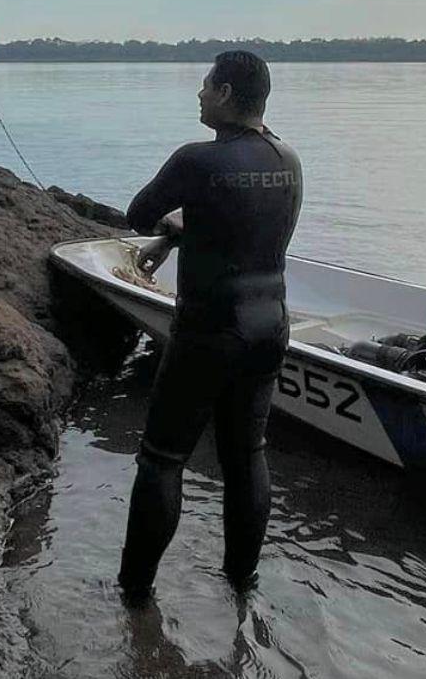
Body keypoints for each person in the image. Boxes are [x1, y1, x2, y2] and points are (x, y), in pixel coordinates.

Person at [118, 50, 303, 603]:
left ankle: (135, 594)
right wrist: (192, 221)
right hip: (270, 327)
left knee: (163, 457)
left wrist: (177, 220)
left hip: (209, 329)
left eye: (204, 85)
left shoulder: (197, 161)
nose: (198, 94)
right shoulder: (288, 159)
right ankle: (241, 583)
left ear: (225, 93)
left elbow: (136, 211)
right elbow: (245, 222)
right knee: (247, 453)